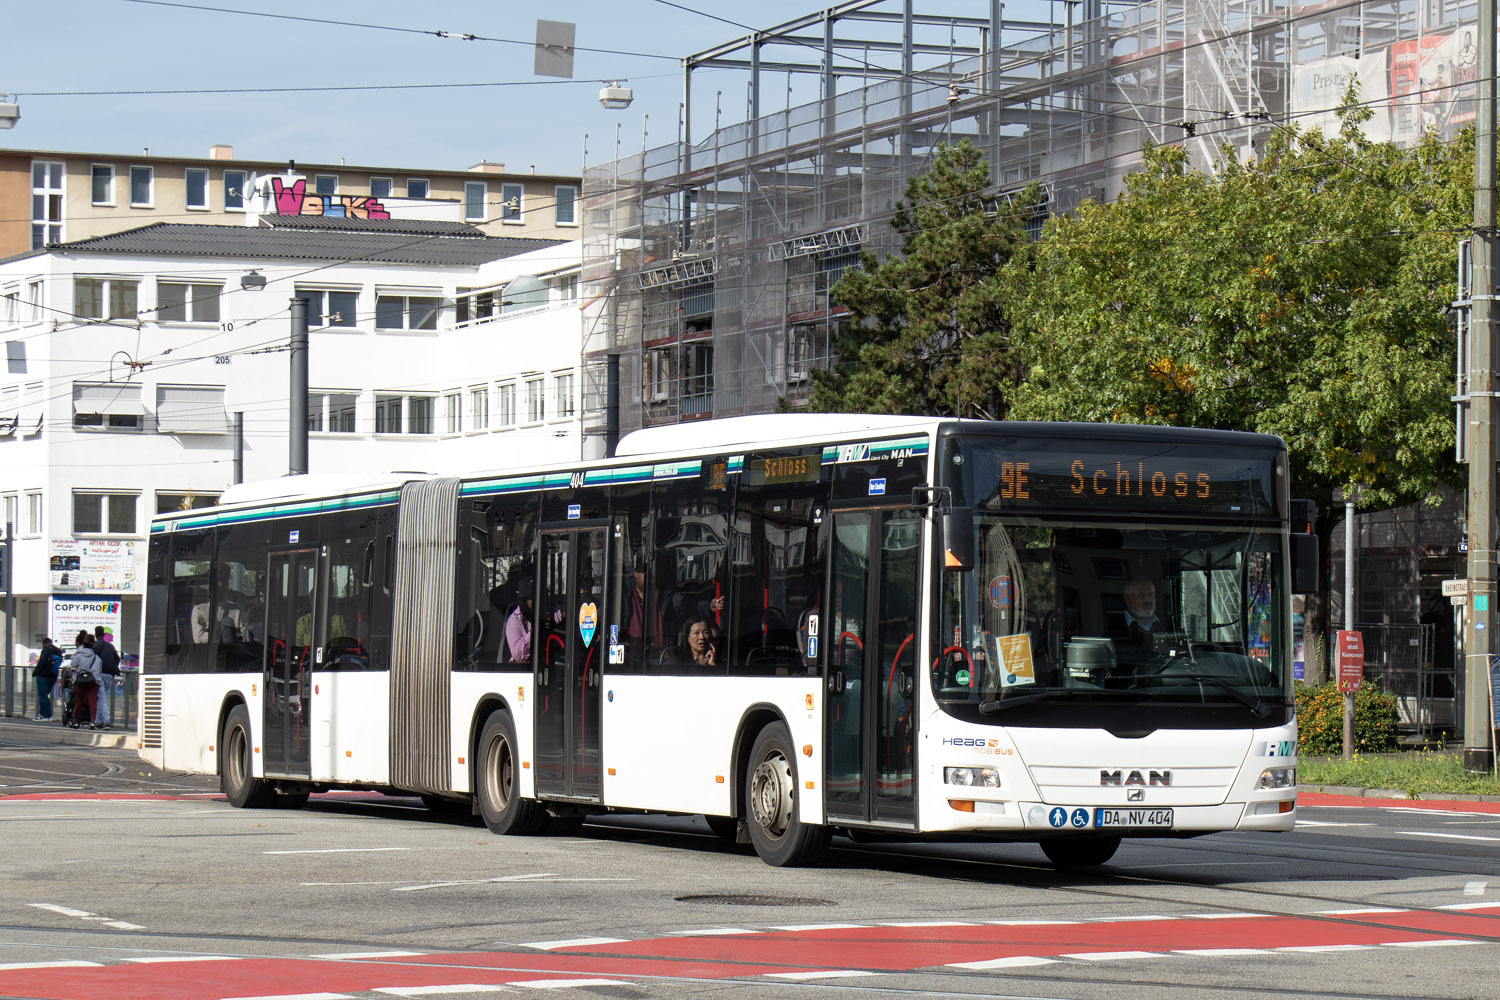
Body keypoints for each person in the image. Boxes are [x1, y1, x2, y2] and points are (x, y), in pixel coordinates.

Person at [68, 631, 102, 730]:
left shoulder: (78, 656)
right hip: (93, 681)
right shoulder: (97, 658)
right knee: (92, 701)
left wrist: (74, 676)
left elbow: (72, 667)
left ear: (83, 644)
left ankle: (75, 721)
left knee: (79, 701)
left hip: (80, 681)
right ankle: (92, 721)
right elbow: (98, 671)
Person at [92, 626, 121, 730]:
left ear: (96, 635)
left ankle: (106, 721)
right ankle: (98, 721)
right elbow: (117, 659)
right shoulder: (110, 646)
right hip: (110, 675)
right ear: (104, 635)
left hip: (99, 675)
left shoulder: (94, 647)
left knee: (101, 699)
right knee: (101, 698)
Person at [505, 578, 535, 664]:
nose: (537, 601)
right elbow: (517, 655)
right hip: (526, 668)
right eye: (531, 598)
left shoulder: (547, 613)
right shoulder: (514, 620)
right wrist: (534, 633)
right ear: (524, 600)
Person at [32, 637, 62, 721]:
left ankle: (43, 715)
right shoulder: (57, 651)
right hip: (53, 676)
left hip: (43, 676)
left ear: (45, 643)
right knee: (46, 696)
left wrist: (35, 673)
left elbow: (41, 663)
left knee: (42, 696)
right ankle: (48, 715)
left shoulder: (46, 650)